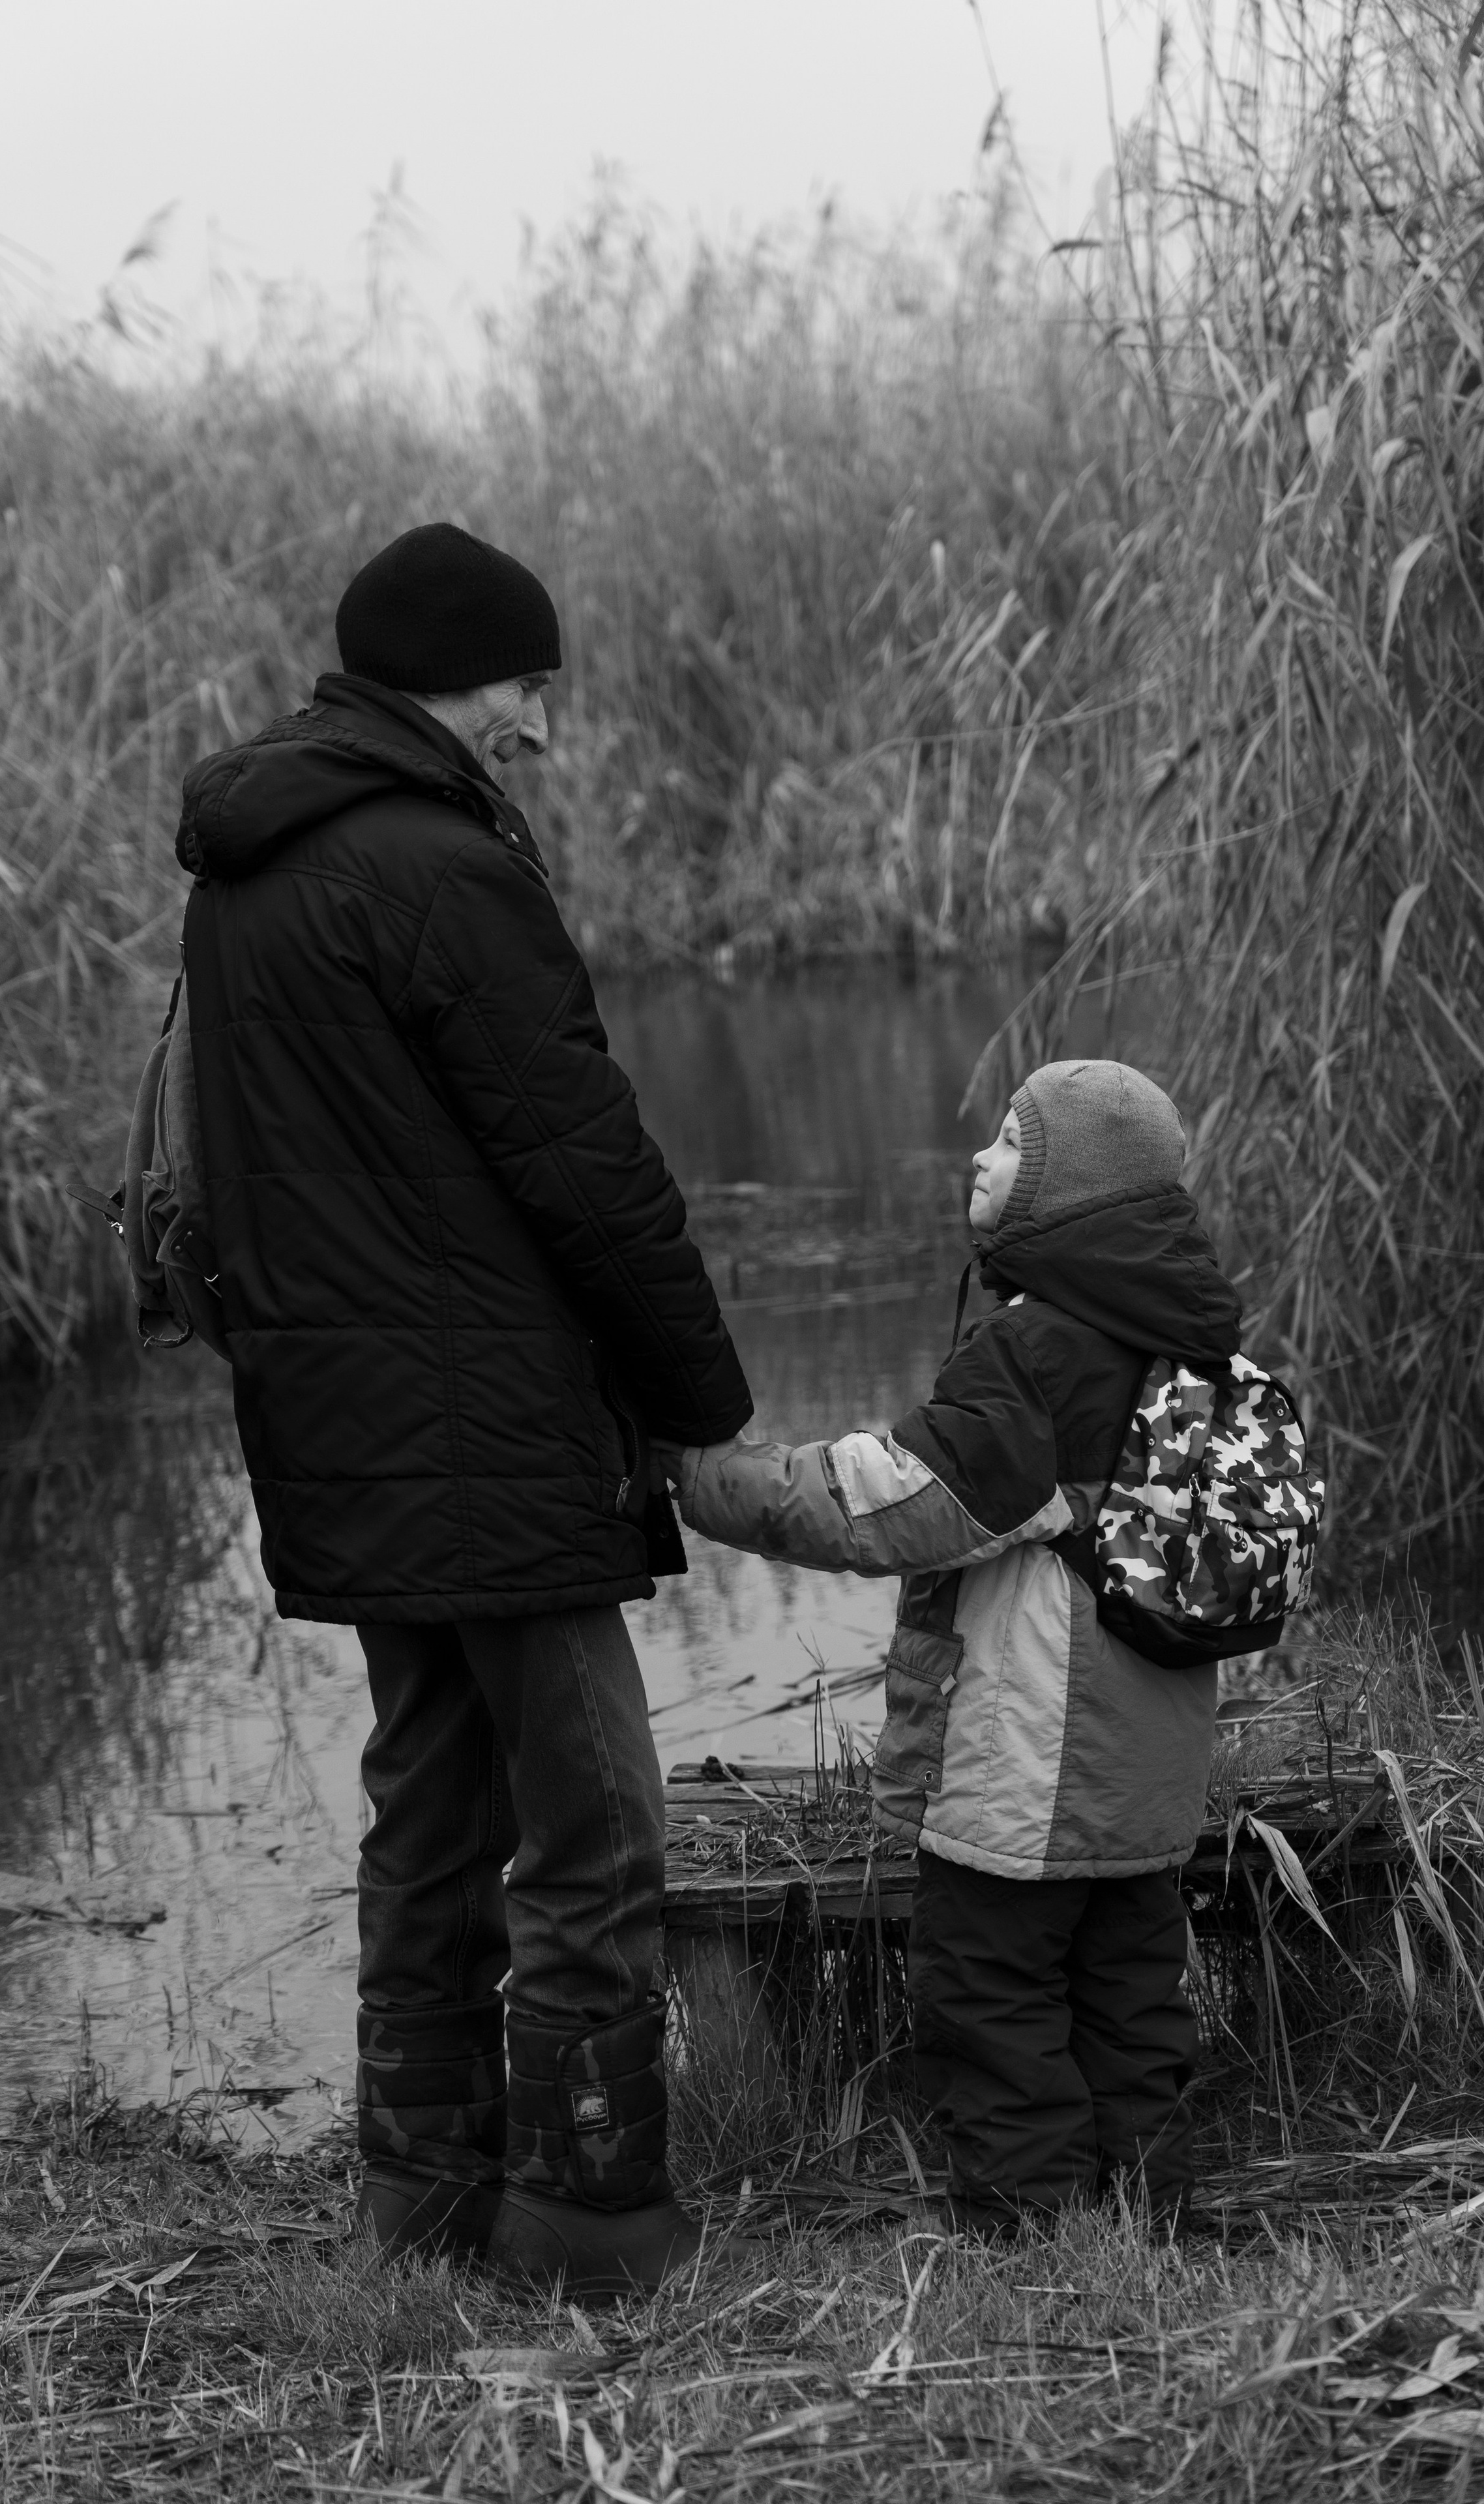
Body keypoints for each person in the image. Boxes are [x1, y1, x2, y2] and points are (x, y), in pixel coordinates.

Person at [175, 522, 753, 2291]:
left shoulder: (248, 866)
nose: (543, 728)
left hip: (344, 1423)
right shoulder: (436, 866)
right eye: (527, 687)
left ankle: (416, 2209)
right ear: (446, 677)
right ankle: (588, 2225)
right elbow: (581, 1160)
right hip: (490, 1429)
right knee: (592, 1831)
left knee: (432, 1818)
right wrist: (700, 1397)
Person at [659, 1060, 1237, 2236]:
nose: (980, 1161)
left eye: (1011, 1146)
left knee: (988, 1993)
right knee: (1129, 1993)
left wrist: (707, 1480)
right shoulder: (1184, 1332)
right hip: (1148, 1766)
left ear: (1069, 1195)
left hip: (1031, 1763)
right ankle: (1152, 2219)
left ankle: (1031, 2232)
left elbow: (892, 1503)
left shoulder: (1044, 1353)